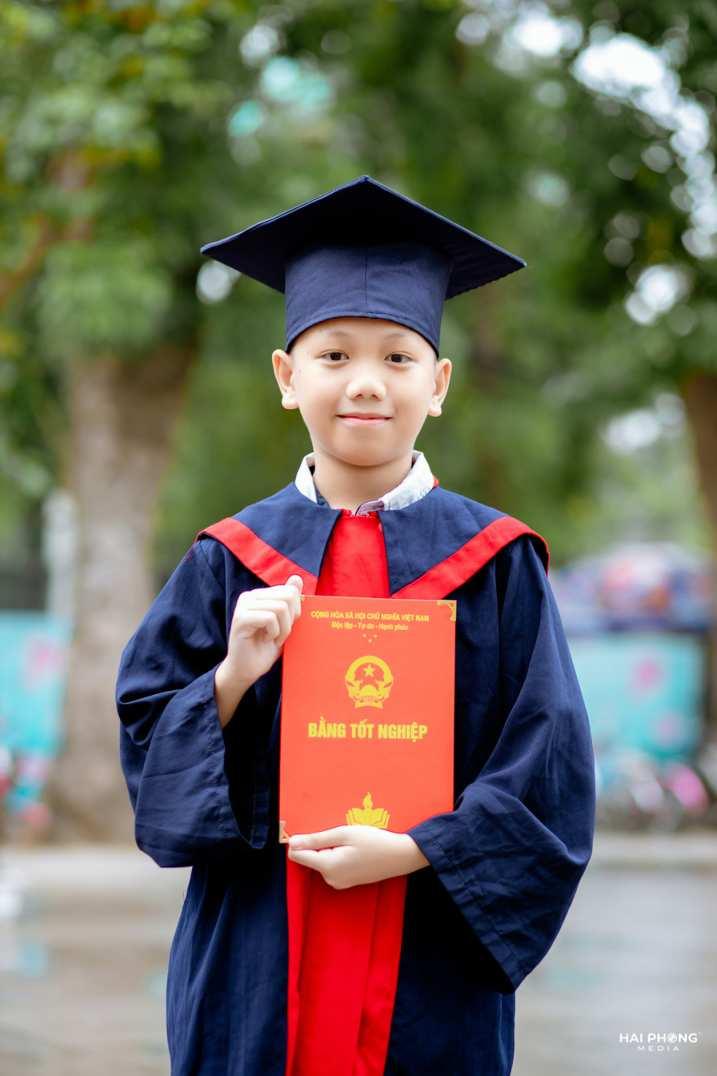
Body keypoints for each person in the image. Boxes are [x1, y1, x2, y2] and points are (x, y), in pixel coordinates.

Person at [116, 174, 596, 1076]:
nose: (366, 383)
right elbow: (149, 753)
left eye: (398, 358)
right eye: (333, 355)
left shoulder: (498, 564)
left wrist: (418, 849)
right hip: (256, 951)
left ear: (438, 384)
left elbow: (548, 769)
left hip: (428, 956)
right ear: (286, 377)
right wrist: (230, 678)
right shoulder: (228, 560)